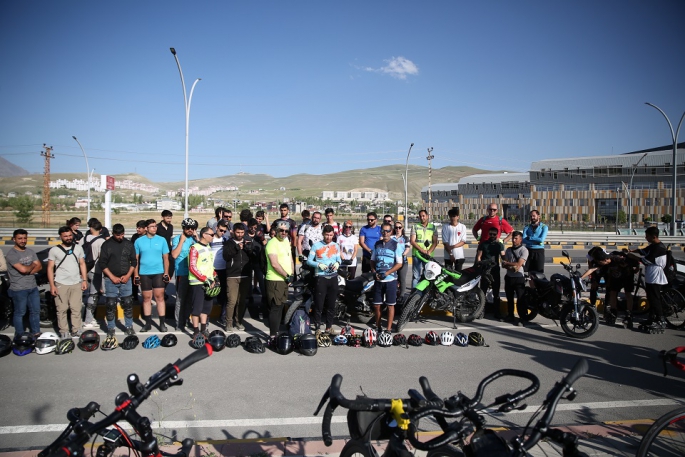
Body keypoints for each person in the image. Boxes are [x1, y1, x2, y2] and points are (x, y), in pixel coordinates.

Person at [47, 226, 88, 338]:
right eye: (65, 236)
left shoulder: (78, 248)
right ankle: (63, 330)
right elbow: (50, 268)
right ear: (60, 236)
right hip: (61, 283)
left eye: (70, 235)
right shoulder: (54, 250)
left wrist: (84, 280)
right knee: (62, 309)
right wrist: (52, 285)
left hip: (76, 283)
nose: (69, 238)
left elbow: (82, 264)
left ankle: (76, 329)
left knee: (76, 308)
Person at [627, 226, 668, 333]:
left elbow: (646, 261)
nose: (646, 238)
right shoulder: (653, 246)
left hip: (656, 275)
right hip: (651, 274)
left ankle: (660, 319)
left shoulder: (659, 248)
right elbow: (643, 251)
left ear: (654, 237)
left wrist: (633, 256)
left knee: (655, 298)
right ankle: (652, 318)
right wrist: (633, 251)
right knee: (650, 297)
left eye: (647, 236)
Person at [98, 224, 137, 336]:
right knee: (110, 304)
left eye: (122, 234)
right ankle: (111, 328)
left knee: (128, 303)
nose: (120, 237)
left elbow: (134, 262)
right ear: (113, 233)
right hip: (111, 279)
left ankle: (129, 326)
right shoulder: (107, 245)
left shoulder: (128, 244)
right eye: (118, 235)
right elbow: (102, 263)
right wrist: (112, 277)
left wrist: (128, 275)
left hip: (126, 278)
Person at [134, 219, 170, 332]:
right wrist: (136, 275)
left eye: (155, 226)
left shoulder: (162, 240)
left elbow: (166, 258)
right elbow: (136, 259)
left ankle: (162, 323)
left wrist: (166, 272)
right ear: (146, 228)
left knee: (160, 297)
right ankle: (148, 323)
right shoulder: (139, 241)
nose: (155, 228)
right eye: (152, 226)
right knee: (146, 298)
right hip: (144, 273)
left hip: (158, 272)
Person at [6, 229, 42, 337]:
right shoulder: (11, 254)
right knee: (20, 313)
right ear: (14, 239)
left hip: (32, 287)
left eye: (25, 238)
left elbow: (39, 266)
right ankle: (19, 334)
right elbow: (23, 270)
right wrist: (31, 266)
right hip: (19, 289)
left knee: (35, 311)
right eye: (20, 238)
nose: (23, 240)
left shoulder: (30, 251)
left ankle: (36, 332)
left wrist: (28, 269)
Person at [307, 225, 342, 333]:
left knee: (331, 304)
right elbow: (309, 261)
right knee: (319, 304)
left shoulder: (335, 245)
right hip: (321, 277)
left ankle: (329, 327)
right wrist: (318, 265)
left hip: (333, 277)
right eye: (327, 235)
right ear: (323, 234)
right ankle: (317, 327)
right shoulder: (316, 246)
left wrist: (337, 263)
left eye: (331, 235)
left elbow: (339, 259)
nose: (328, 237)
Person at [370, 222, 404, 333]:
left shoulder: (396, 245)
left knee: (390, 305)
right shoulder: (377, 244)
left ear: (391, 232)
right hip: (378, 279)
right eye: (383, 231)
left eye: (388, 231)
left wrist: (388, 273)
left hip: (391, 280)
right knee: (376, 305)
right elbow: (372, 260)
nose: (385, 233)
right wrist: (374, 272)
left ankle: (388, 329)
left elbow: (399, 263)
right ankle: (378, 327)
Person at [265, 220, 295, 339]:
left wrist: (292, 274)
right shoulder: (272, 243)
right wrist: (286, 276)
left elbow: (290, 259)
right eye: (281, 230)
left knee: (281, 305)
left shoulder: (286, 241)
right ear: (276, 230)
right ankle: (273, 335)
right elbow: (274, 264)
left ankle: (276, 332)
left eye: (286, 231)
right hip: (275, 280)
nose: (283, 233)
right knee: (275, 308)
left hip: (285, 280)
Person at [223, 223, 255, 331]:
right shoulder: (229, 243)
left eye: (242, 232)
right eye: (238, 232)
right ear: (233, 232)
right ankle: (228, 323)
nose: (240, 235)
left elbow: (254, 256)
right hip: (232, 276)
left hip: (245, 275)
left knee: (241, 301)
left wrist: (249, 248)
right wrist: (237, 248)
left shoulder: (248, 242)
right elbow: (226, 256)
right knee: (232, 301)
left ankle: (238, 321)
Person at [188, 227, 217, 339]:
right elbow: (192, 267)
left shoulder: (209, 248)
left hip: (209, 282)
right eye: (211, 234)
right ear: (204, 235)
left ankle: (203, 329)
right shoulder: (194, 248)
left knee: (206, 308)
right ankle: (196, 330)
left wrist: (214, 276)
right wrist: (205, 279)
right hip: (198, 283)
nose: (213, 236)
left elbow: (210, 265)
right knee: (197, 308)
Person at [170, 218, 198, 332]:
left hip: (194, 274)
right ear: (183, 228)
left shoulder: (195, 240)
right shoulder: (177, 239)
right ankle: (179, 323)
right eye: (188, 228)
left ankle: (186, 320)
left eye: (192, 228)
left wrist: (197, 238)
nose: (190, 230)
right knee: (181, 299)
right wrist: (182, 241)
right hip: (182, 273)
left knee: (190, 300)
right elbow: (174, 255)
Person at [476, 228, 505, 320]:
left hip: (495, 270)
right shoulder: (483, 244)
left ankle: (497, 312)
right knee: (483, 291)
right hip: (485, 270)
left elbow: (503, 256)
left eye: (494, 234)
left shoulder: (499, 245)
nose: (492, 236)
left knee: (496, 292)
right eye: (491, 234)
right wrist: (479, 266)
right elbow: (479, 256)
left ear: (497, 235)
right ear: (488, 234)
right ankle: (481, 311)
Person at [82, 219, 106, 329]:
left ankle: (87, 318)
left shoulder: (84, 239)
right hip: (96, 271)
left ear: (91, 228)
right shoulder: (101, 241)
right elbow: (102, 259)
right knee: (94, 296)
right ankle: (88, 320)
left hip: (85, 269)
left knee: (87, 295)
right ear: (100, 229)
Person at [501, 231, 528, 325]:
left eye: (516, 238)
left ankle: (523, 318)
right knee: (509, 298)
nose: (513, 240)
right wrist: (511, 267)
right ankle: (510, 316)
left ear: (520, 240)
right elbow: (503, 265)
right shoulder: (508, 250)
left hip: (519, 278)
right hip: (509, 277)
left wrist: (508, 264)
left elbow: (518, 265)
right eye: (513, 238)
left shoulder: (524, 250)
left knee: (521, 299)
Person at [410, 210, 438, 288]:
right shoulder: (415, 227)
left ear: (427, 216)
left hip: (428, 256)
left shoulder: (433, 228)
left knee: (428, 276)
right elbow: (412, 241)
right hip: (417, 255)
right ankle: (414, 295)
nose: (422, 218)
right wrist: (422, 250)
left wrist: (429, 251)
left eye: (423, 216)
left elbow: (435, 242)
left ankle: (426, 294)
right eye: (420, 216)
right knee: (416, 276)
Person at [210, 220, 230, 325]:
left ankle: (223, 317)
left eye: (224, 231)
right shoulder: (210, 239)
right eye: (221, 230)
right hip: (211, 270)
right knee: (209, 294)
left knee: (224, 295)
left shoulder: (226, 239)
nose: (222, 232)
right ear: (216, 227)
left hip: (223, 270)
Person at [441, 207, 467, 271]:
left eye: (454, 216)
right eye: (451, 216)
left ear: (458, 217)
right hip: (448, 256)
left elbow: (463, 241)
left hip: (459, 255)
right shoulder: (445, 227)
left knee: (457, 276)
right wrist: (451, 254)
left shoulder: (462, 227)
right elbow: (445, 243)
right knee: (448, 276)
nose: (453, 218)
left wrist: (453, 246)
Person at [130, 219, 147, 302]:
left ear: (145, 228)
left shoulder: (149, 237)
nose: (137, 229)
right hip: (136, 261)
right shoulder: (135, 237)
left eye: (140, 228)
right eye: (137, 228)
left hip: (145, 262)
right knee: (135, 278)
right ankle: (134, 295)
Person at [391, 221, 410, 294]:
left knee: (402, 279)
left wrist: (403, 255)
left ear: (402, 228)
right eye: (396, 227)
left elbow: (407, 248)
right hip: (393, 262)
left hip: (403, 262)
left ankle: (402, 295)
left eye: (399, 227)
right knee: (393, 279)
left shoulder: (405, 238)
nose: (398, 229)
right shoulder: (391, 237)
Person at [156, 210, 174, 279]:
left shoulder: (171, 227)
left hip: (169, 251)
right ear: (162, 217)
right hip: (159, 252)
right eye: (167, 218)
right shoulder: (157, 227)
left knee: (170, 270)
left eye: (170, 218)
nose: (169, 220)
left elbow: (170, 238)